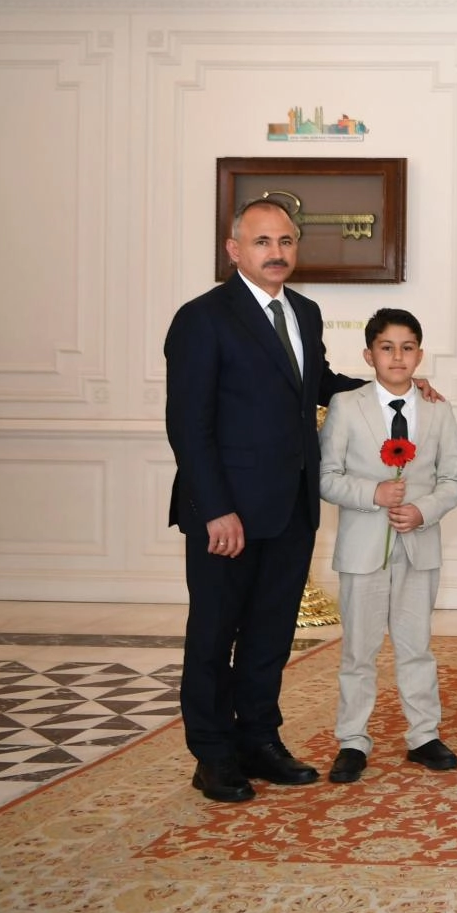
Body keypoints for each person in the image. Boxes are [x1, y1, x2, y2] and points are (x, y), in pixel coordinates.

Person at [166, 198, 371, 802]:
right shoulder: (202, 318)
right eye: (262, 242)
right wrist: (215, 509)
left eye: (285, 241)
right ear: (234, 250)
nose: (276, 252)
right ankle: (212, 755)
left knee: (269, 635)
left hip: (290, 507)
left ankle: (259, 740)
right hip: (226, 513)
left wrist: (392, 386)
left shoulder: (304, 312)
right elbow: (188, 425)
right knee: (214, 636)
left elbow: (317, 385)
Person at [319, 308, 457, 784]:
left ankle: (423, 734)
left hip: (418, 545)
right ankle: (352, 739)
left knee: (416, 646)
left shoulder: (437, 410)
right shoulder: (346, 406)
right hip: (363, 548)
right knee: (358, 651)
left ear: (420, 355)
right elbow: (327, 477)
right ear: (369, 355)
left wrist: (423, 509)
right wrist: (374, 494)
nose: (397, 357)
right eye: (387, 348)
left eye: (407, 348)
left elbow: (453, 478)